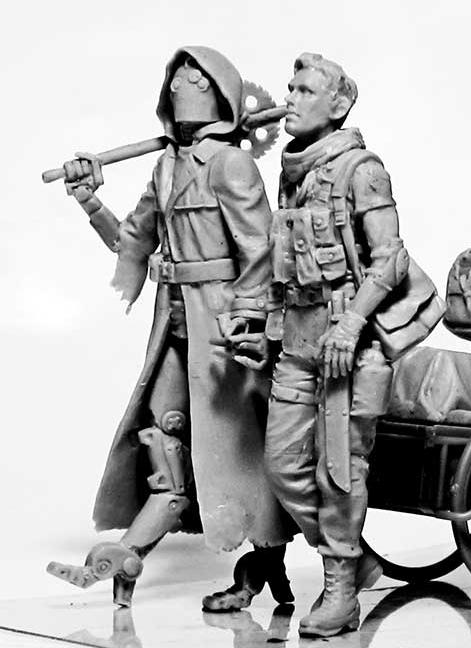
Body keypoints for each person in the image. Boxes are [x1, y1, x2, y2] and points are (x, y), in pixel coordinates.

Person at [49, 46, 294, 610]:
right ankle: (126, 558)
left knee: (241, 451)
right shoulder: (165, 167)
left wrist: (250, 317)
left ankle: (263, 564)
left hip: (224, 330)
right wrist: (89, 200)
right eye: (177, 78)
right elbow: (130, 242)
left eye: (196, 78)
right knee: (164, 439)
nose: (182, 84)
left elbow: (261, 249)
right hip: (175, 324)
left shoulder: (231, 165)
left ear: (220, 95)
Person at [263, 52, 443, 637]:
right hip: (298, 339)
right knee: (283, 466)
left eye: (304, 91)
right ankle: (356, 559)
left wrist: (351, 325)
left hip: (351, 343)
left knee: (339, 469)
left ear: (337, 105)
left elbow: (390, 258)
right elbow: (284, 260)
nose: (290, 98)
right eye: (290, 88)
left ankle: (340, 589)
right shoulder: (293, 172)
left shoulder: (362, 170)